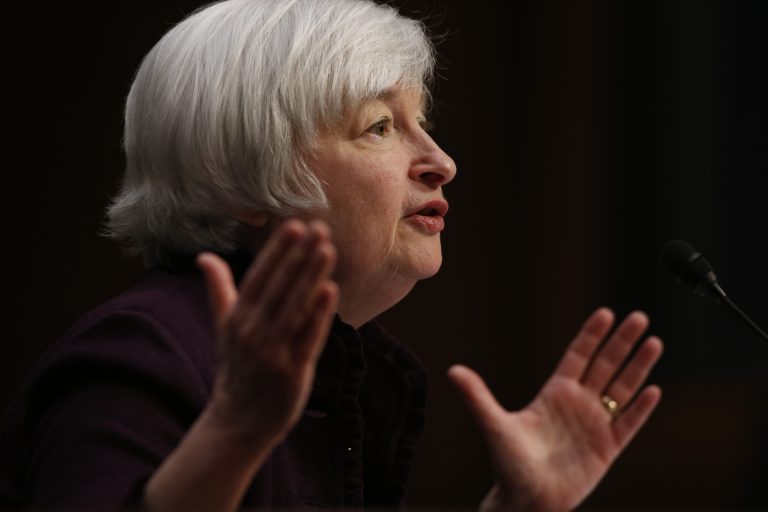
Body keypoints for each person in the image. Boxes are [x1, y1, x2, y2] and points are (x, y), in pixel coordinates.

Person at [0, 0, 664, 510]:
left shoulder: (348, 368)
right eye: (380, 127)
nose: (442, 162)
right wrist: (234, 433)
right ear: (238, 178)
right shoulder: (137, 356)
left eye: (420, 122)